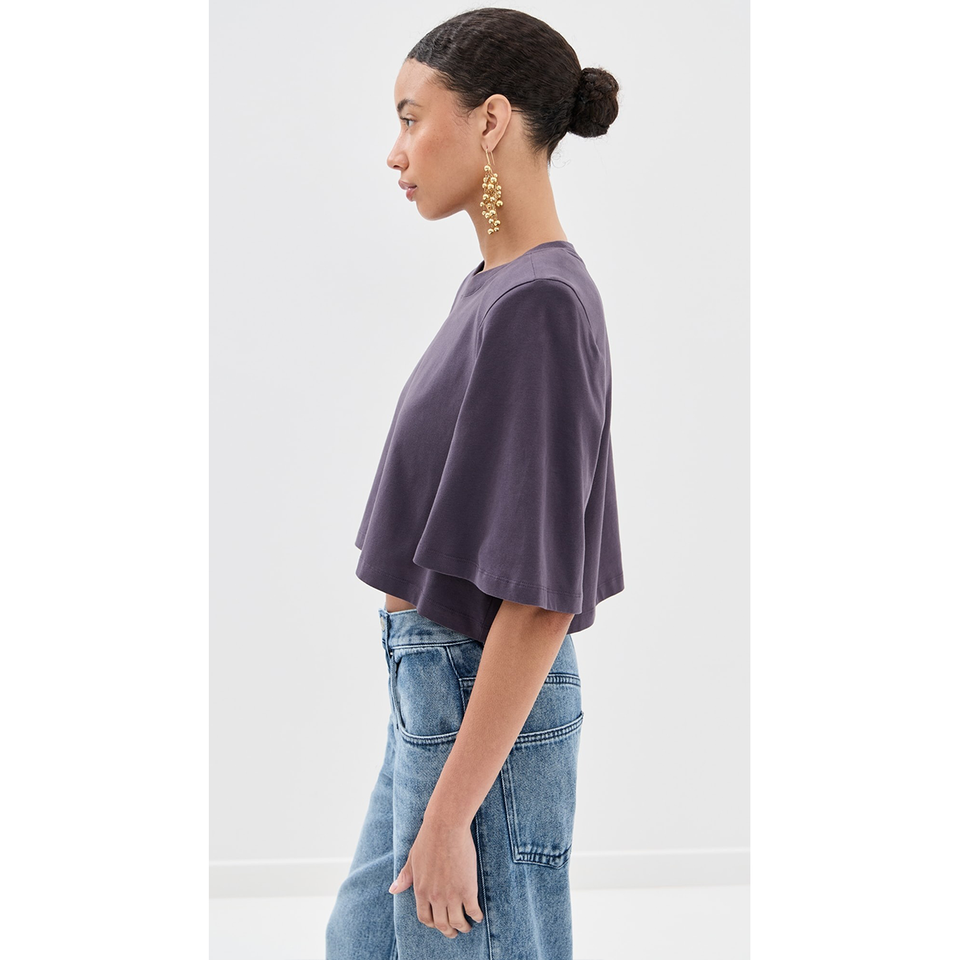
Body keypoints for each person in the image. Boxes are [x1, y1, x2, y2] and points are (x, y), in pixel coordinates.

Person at [325, 8, 624, 959]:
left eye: (412, 118)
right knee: (358, 942)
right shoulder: (497, 288)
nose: (397, 151)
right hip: (434, 696)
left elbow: (540, 596)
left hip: (472, 703)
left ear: (490, 121)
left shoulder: (537, 305)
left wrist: (453, 813)